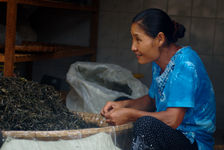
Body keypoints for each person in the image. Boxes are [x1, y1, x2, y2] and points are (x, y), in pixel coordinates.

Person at [100, 8, 216, 150]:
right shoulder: (159, 62)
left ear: (159, 39)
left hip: (192, 141)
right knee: (120, 103)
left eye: (138, 39)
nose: (133, 47)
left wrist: (130, 114)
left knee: (145, 125)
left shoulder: (185, 64)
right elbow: (152, 100)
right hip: (173, 134)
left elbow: (173, 119)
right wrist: (123, 105)